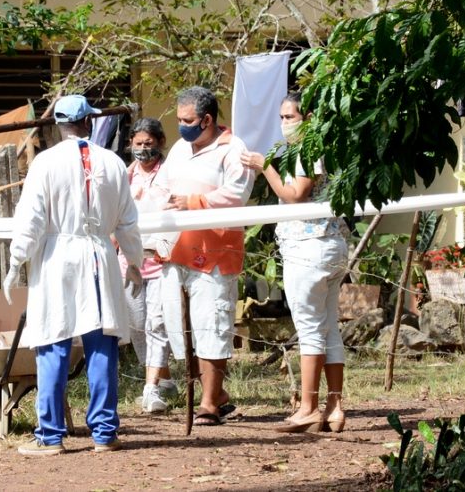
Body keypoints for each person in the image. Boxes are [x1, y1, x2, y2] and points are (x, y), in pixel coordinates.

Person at [4, 94, 143, 456]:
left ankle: (50, 436)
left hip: (57, 258)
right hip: (99, 254)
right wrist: (135, 261)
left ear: (58, 125)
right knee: (102, 343)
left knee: (53, 341)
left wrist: (16, 259)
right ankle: (104, 432)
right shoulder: (112, 162)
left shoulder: (45, 163)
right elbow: (128, 220)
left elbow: (31, 219)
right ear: (88, 122)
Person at [240, 92, 349, 433]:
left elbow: (295, 194)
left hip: (309, 246)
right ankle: (334, 407)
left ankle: (308, 407)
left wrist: (264, 167)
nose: (286, 123)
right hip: (330, 245)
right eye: (283, 118)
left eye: (291, 117)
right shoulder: (326, 145)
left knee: (310, 329)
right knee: (328, 326)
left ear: (310, 116)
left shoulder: (310, 149)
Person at [150, 86, 253, 426]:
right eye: (179, 119)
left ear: (207, 120)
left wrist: (193, 202)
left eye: (188, 120)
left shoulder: (233, 149)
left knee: (212, 325)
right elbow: (161, 187)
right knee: (182, 329)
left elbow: (237, 195)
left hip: (215, 255)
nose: (182, 126)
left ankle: (209, 404)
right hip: (175, 251)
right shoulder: (179, 149)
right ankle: (215, 393)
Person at [119, 118, 178, 413]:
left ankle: (150, 389)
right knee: (137, 325)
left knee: (157, 322)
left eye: (149, 144)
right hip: (129, 259)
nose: (143, 149)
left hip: (160, 256)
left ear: (161, 142)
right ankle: (164, 378)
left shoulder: (170, 173)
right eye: (138, 144)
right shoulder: (124, 175)